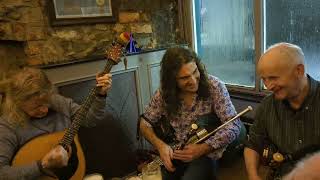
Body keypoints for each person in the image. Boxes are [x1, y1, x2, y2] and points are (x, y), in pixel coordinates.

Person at [139, 47, 244, 180]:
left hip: (209, 152)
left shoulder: (215, 86)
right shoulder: (163, 94)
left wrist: (203, 148)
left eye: (195, 72)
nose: (194, 81)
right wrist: (161, 146)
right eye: (184, 78)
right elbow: (145, 123)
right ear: (172, 80)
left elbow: (234, 125)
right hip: (179, 150)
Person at [0, 67, 112, 179]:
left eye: (46, 102)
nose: (44, 109)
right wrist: (42, 165)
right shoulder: (7, 126)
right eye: (36, 107)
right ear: (18, 103)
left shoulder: (58, 102)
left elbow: (90, 120)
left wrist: (101, 95)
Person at [244, 42, 320, 180]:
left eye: (273, 78)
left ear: (299, 71)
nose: (268, 86)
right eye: (264, 79)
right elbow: (253, 144)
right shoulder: (267, 105)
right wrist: (253, 175)